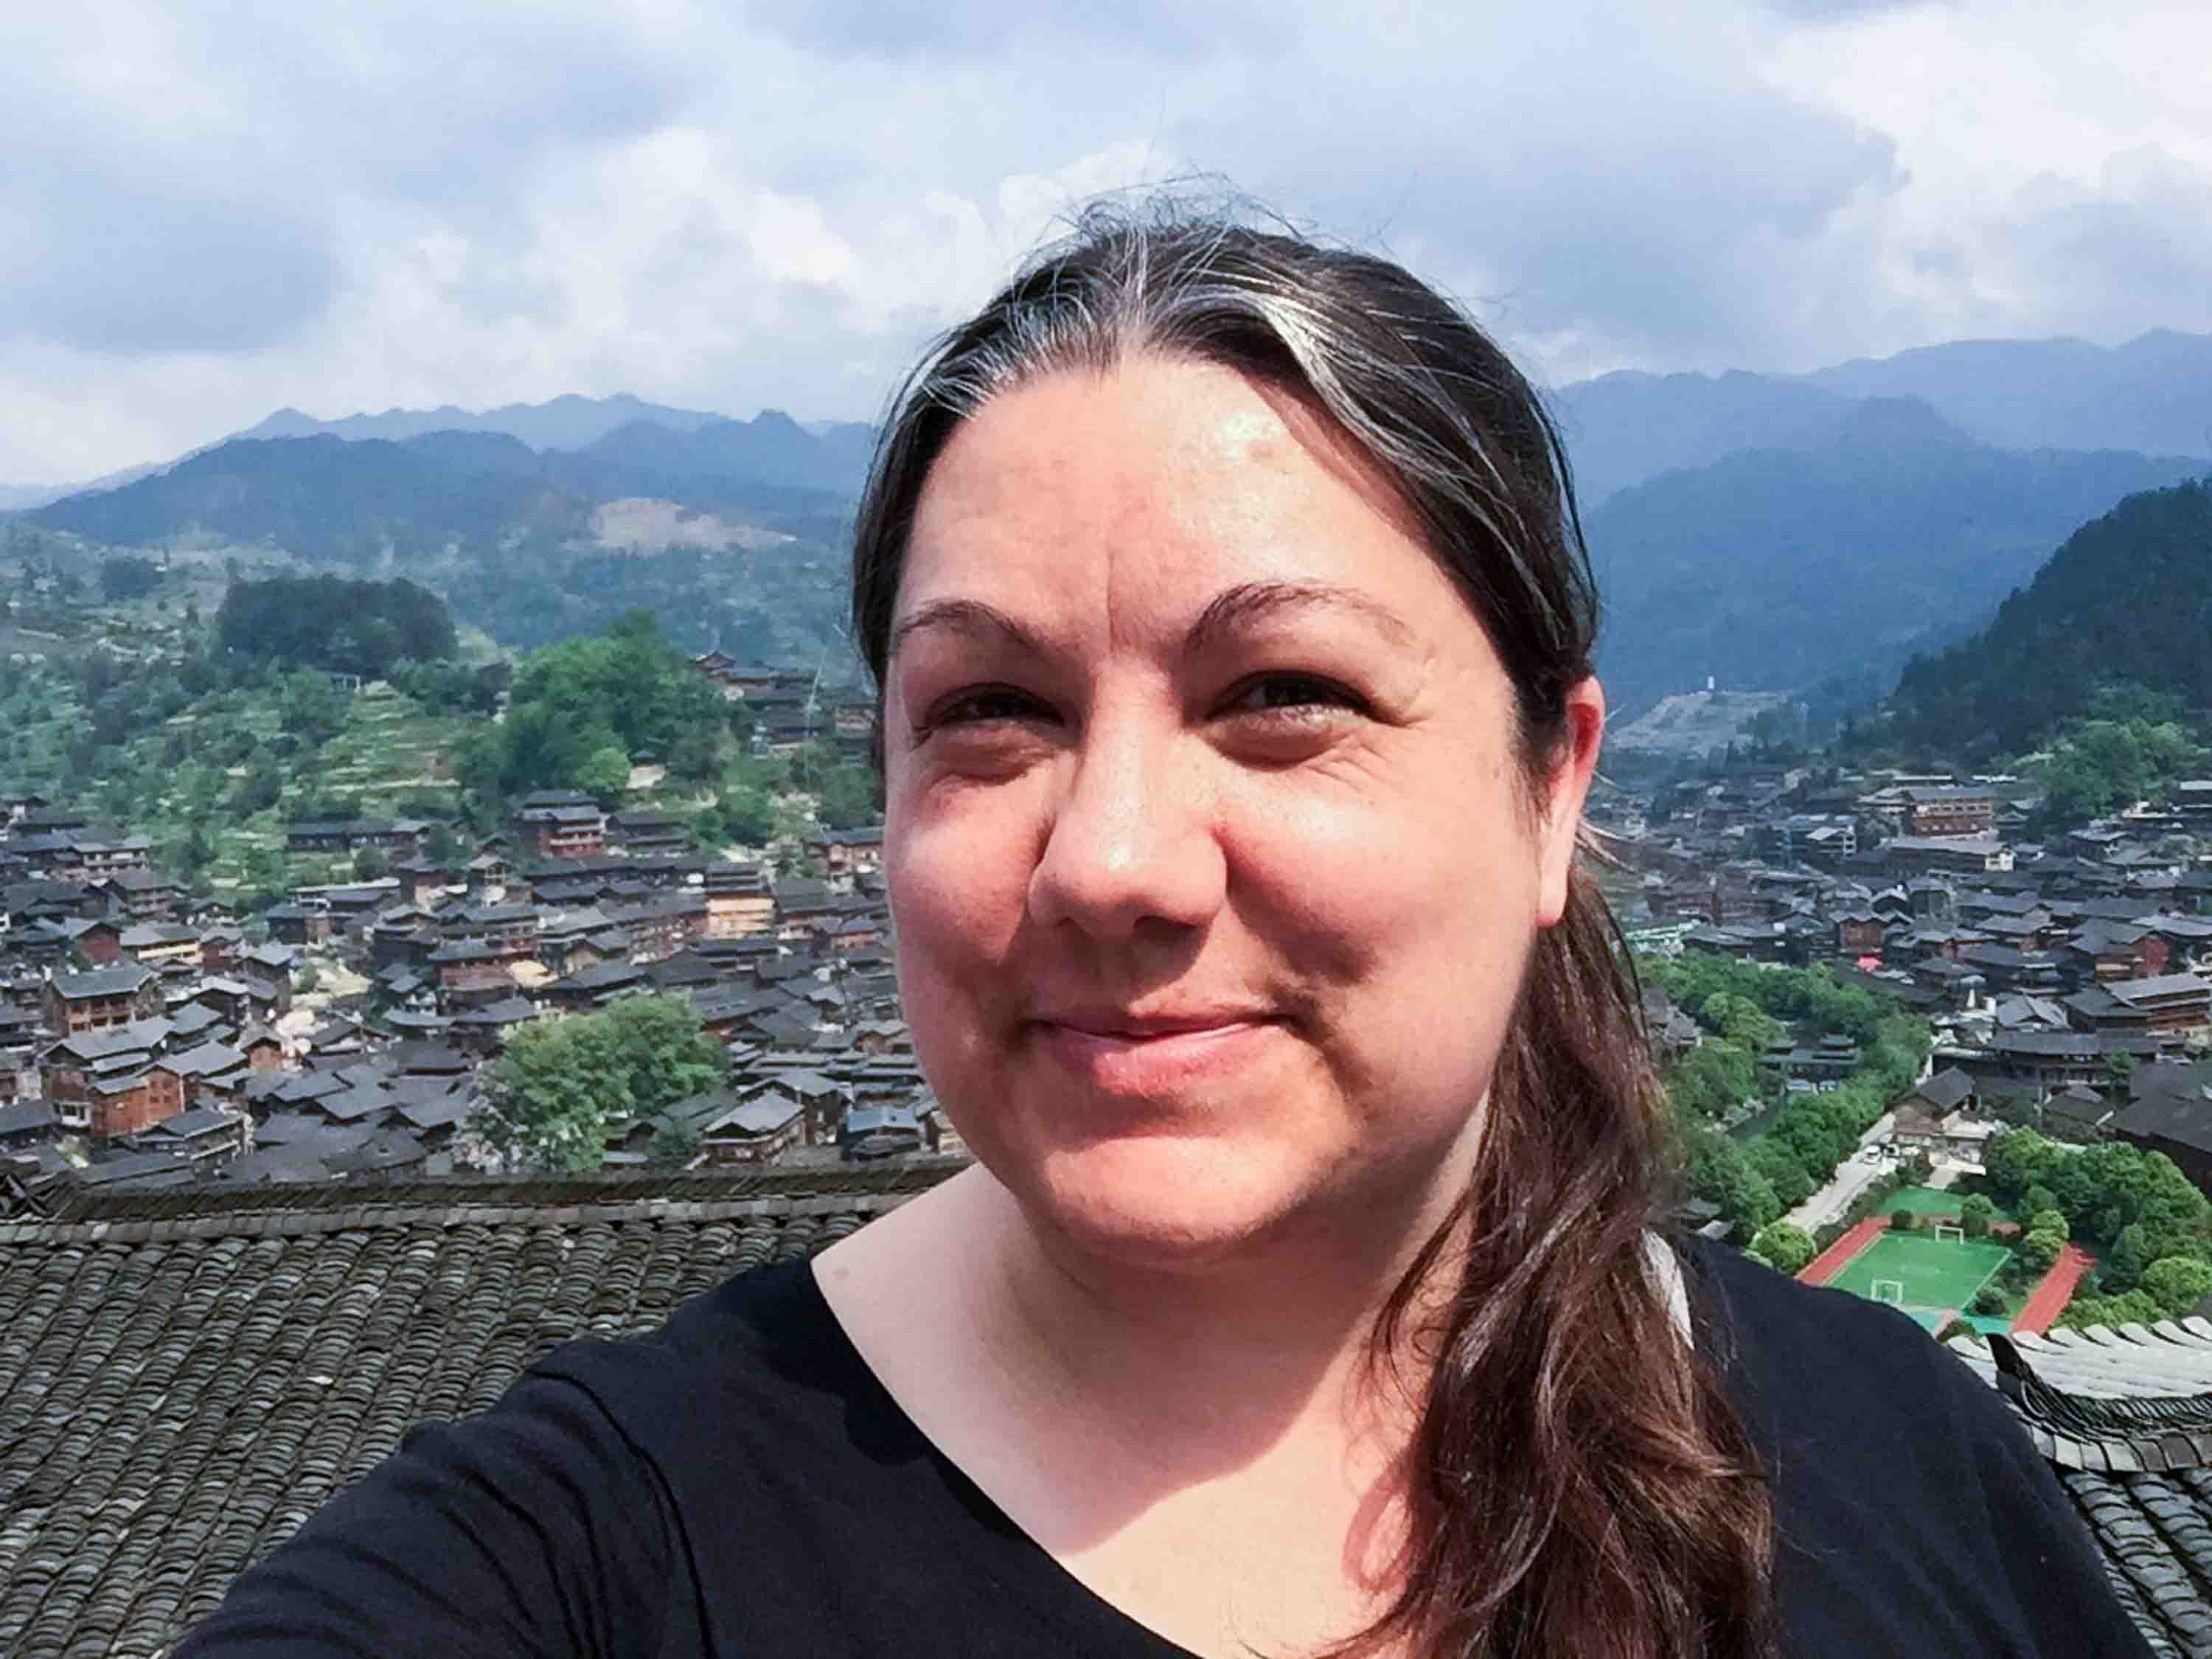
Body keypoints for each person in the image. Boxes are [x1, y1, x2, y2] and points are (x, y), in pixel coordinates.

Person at [175, 208, 2150, 1659]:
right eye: (991, 710)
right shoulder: (593, 1558)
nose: (1111, 860)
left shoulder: (1903, 1462)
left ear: (1552, 788)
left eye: (1281, 693)